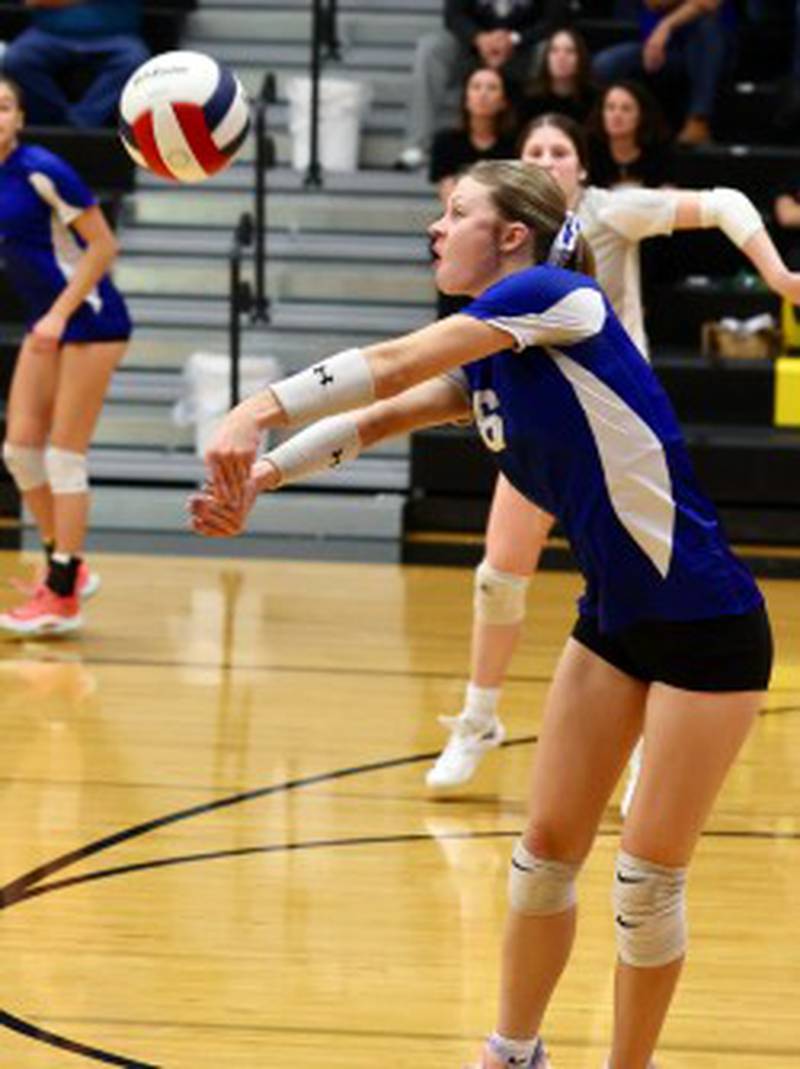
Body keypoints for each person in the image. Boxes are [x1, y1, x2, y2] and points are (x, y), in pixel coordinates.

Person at [190, 158, 775, 1069]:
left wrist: (252, 410)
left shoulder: (558, 296)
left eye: (455, 211)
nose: (435, 226)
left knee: (646, 881)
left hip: (709, 627)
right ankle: (513, 1052)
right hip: (614, 621)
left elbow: (388, 361)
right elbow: (382, 412)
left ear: (511, 235)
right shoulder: (496, 358)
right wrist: (261, 476)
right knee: (542, 854)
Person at [423, 111, 795, 796]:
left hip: (617, 437)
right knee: (497, 576)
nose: (544, 159)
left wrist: (777, 274)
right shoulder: (507, 245)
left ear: (583, 167)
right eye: (531, 148)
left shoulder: (612, 213)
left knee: (641, 587)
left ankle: (644, 740)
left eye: (558, 150)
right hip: (542, 425)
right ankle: (478, 718)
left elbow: (724, 202)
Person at [0, 75, 131, 636]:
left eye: (3, 106)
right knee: (19, 452)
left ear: (20, 118)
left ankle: (61, 592)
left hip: (92, 321)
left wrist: (59, 314)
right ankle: (67, 565)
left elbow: (103, 245)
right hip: (46, 324)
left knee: (62, 456)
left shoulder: (43, 169)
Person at [395, 0, 555, 172]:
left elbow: (555, 19)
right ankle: (417, 144)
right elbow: (453, 16)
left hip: (524, 48)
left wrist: (514, 40)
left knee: (553, 50)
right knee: (431, 48)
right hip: (470, 46)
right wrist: (478, 38)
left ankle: (548, 145)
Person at [591, 0, 736, 145]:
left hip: (709, 55)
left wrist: (666, 25)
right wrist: (691, 7)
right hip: (658, 49)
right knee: (605, 65)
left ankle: (699, 118)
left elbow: (709, 3)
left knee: (706, 26)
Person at [1, 0, 149, 129]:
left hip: (117, 36)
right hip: (49, 34)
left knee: (135, 61)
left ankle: (80, 124)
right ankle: (62, 124)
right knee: (16, 60)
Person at [430, 66, 519, 207]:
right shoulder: (445, 142)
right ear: (466, 99)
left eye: (492, 88)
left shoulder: (515, 145)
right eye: (476, 87)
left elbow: (513, 198)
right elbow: (450, 199)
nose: (483, 94)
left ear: (503, 102)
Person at [587, 80, 673, 190]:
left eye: (626, 109)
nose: (616, 115)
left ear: (642, 116)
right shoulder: (588, 152)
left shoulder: (661, 153)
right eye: (610, 108)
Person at [520, 26, 597, 126]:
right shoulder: (529, 100)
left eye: (570, 51)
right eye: (554, 51)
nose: (561, 57)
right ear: (546, 58)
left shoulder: (594, 100)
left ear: (581, 59)